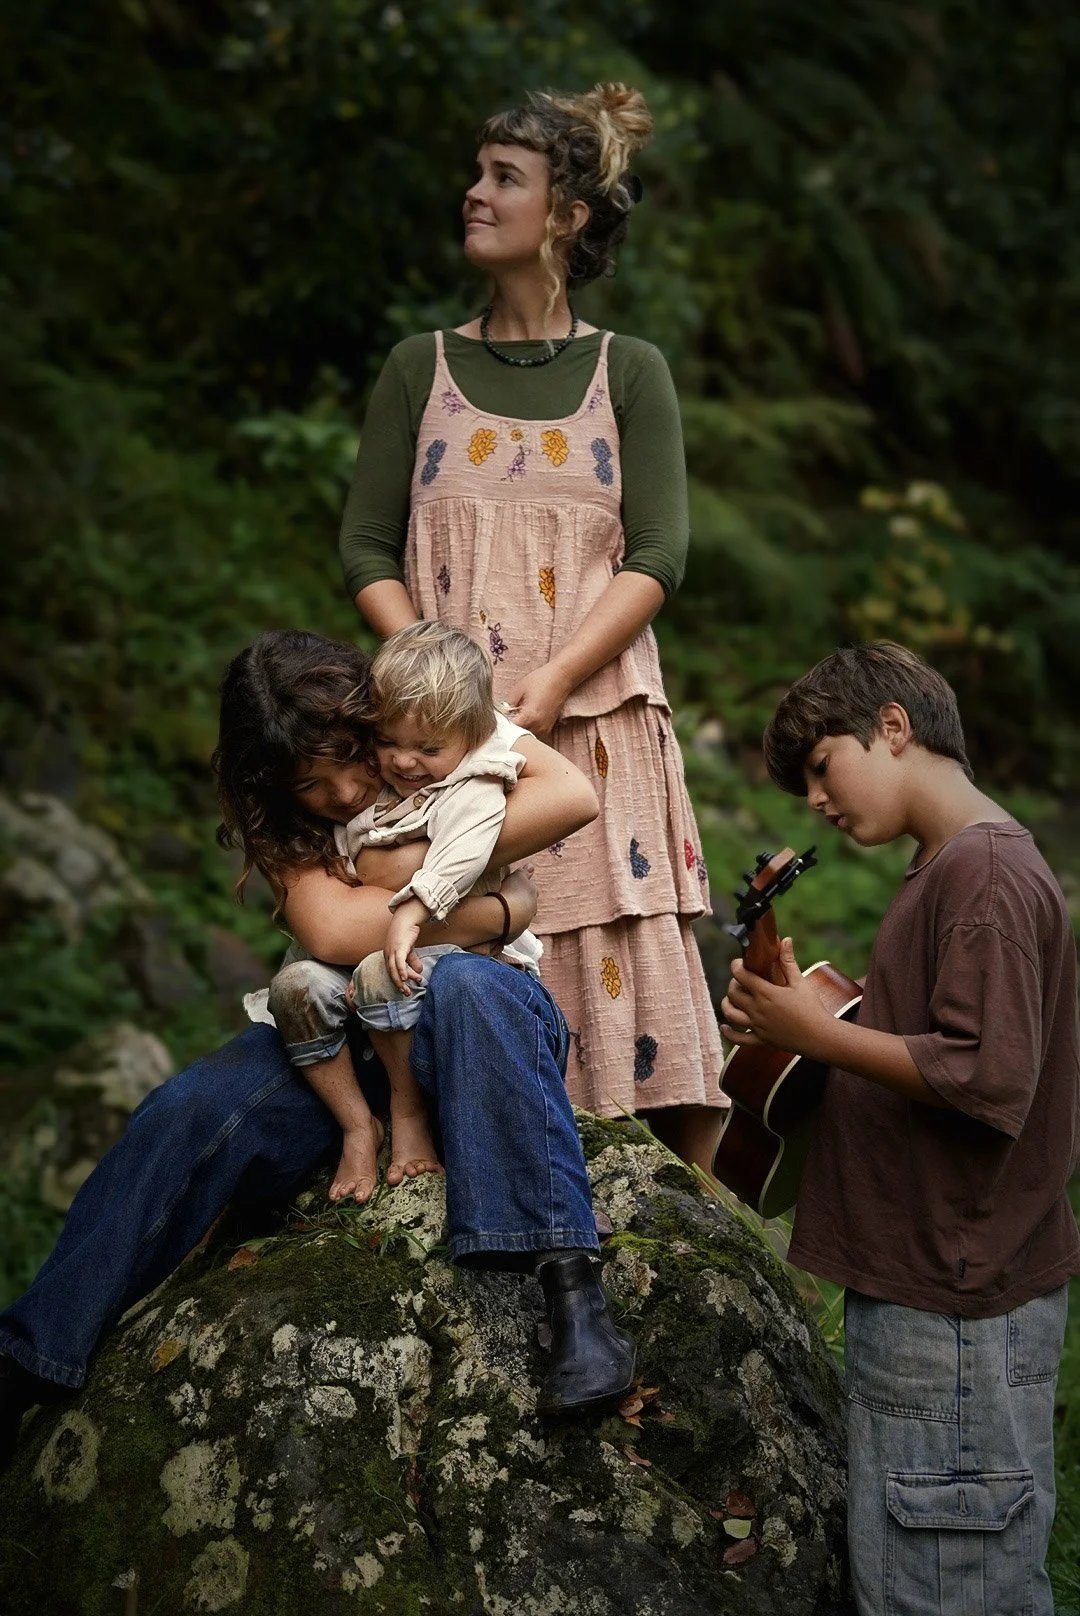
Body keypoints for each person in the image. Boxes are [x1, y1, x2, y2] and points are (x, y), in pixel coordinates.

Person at [0, 630, 636, 1472]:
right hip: (340, 1033)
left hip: (475, 1018)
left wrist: (394, 880)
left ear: (378, 716)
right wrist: (495, 905)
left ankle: (572, 1291)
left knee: (469, 989)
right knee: (193, 1106)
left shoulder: (433, 721)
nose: (339, 792)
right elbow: (332, 931)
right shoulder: (286, 820)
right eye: (311, 782)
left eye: (351, 758)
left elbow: (571, 797)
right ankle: (28, 1361)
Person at [338, 81, 726, 1173]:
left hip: (593, 722)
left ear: (568, 215)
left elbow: (658, 556)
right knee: (445, 928)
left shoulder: (630, 372)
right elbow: (366, 546)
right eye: (477, 171)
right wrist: (428, 683)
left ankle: (642, 1229)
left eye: (503, 177)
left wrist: (549, 684)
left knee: (608, 952)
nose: (474, 193)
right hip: (444, 744)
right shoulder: (420, 367)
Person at [719, 640, 1080, 1616]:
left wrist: (813, 1036)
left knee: (948, 1587)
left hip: (954, 1302)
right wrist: (805, 1029)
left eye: (822, 769)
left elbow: (986, 1072)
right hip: (934, 1287)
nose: (816, 801)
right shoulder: (945, 867)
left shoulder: (987, 876)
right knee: (920, 1574)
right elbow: (925, 1038)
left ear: (892, 726)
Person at [256, 621, 543, 1200]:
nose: (404, 762)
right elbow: (335, 918)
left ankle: (408, 1120)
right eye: (388, 745)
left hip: (448, 959)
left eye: (426, 750)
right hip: (369, 959)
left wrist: (419, 897)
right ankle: (358, 1125)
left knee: (380, 973)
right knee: (292, 987)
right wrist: (503, 909)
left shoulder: (468, 778)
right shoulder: (381, 786)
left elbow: (486, 830)